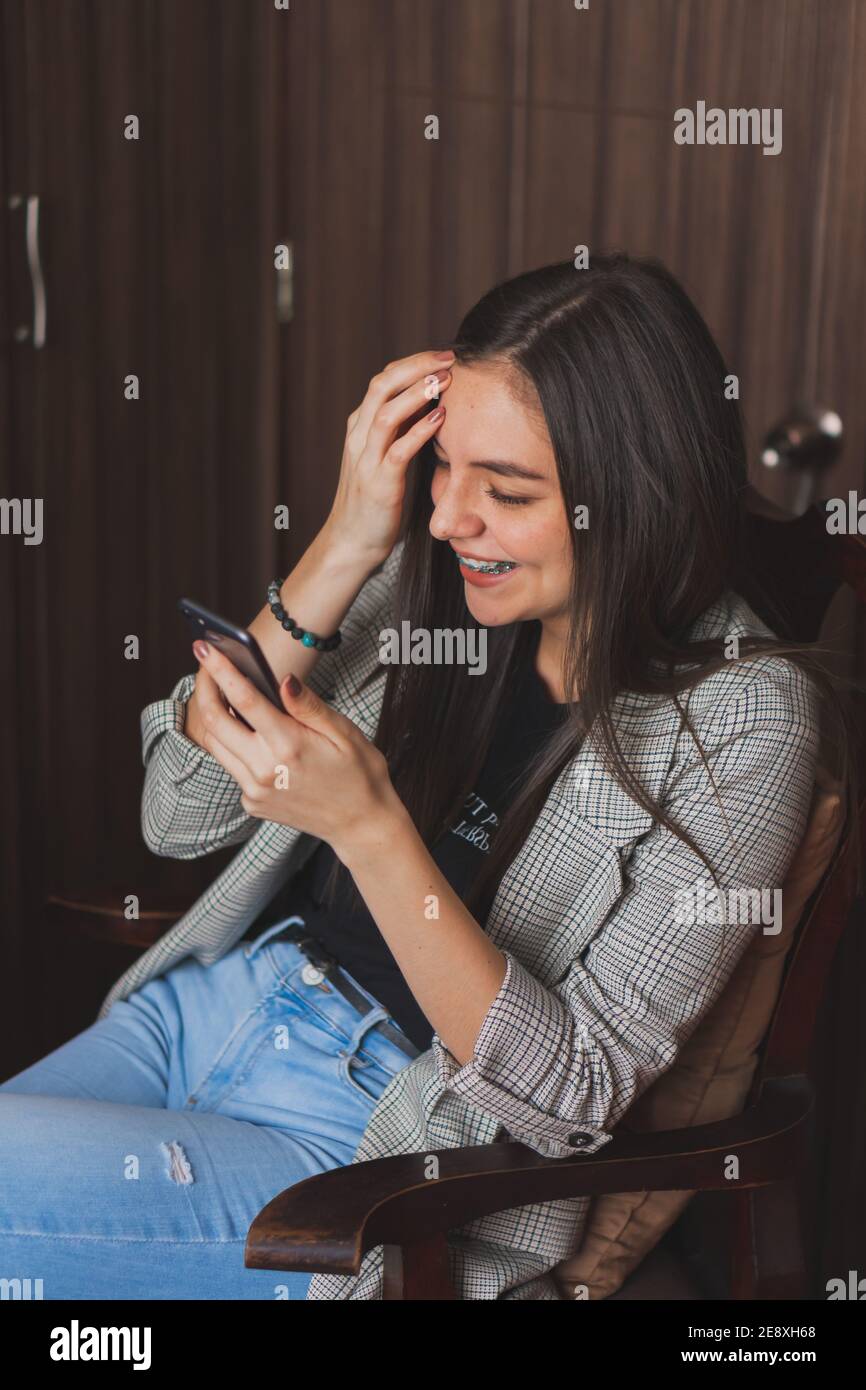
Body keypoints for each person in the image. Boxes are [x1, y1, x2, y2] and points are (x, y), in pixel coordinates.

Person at [0, 253, 852, 1300]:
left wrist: (370, 831)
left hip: (377, 1138)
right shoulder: (429, 578)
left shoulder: (740, 718)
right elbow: (178, 811)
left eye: (504, 490)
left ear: (636, 495)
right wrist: (346, 539)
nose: (450, 517)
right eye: (442, 467)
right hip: (206, 1009)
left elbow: (571, 1092)